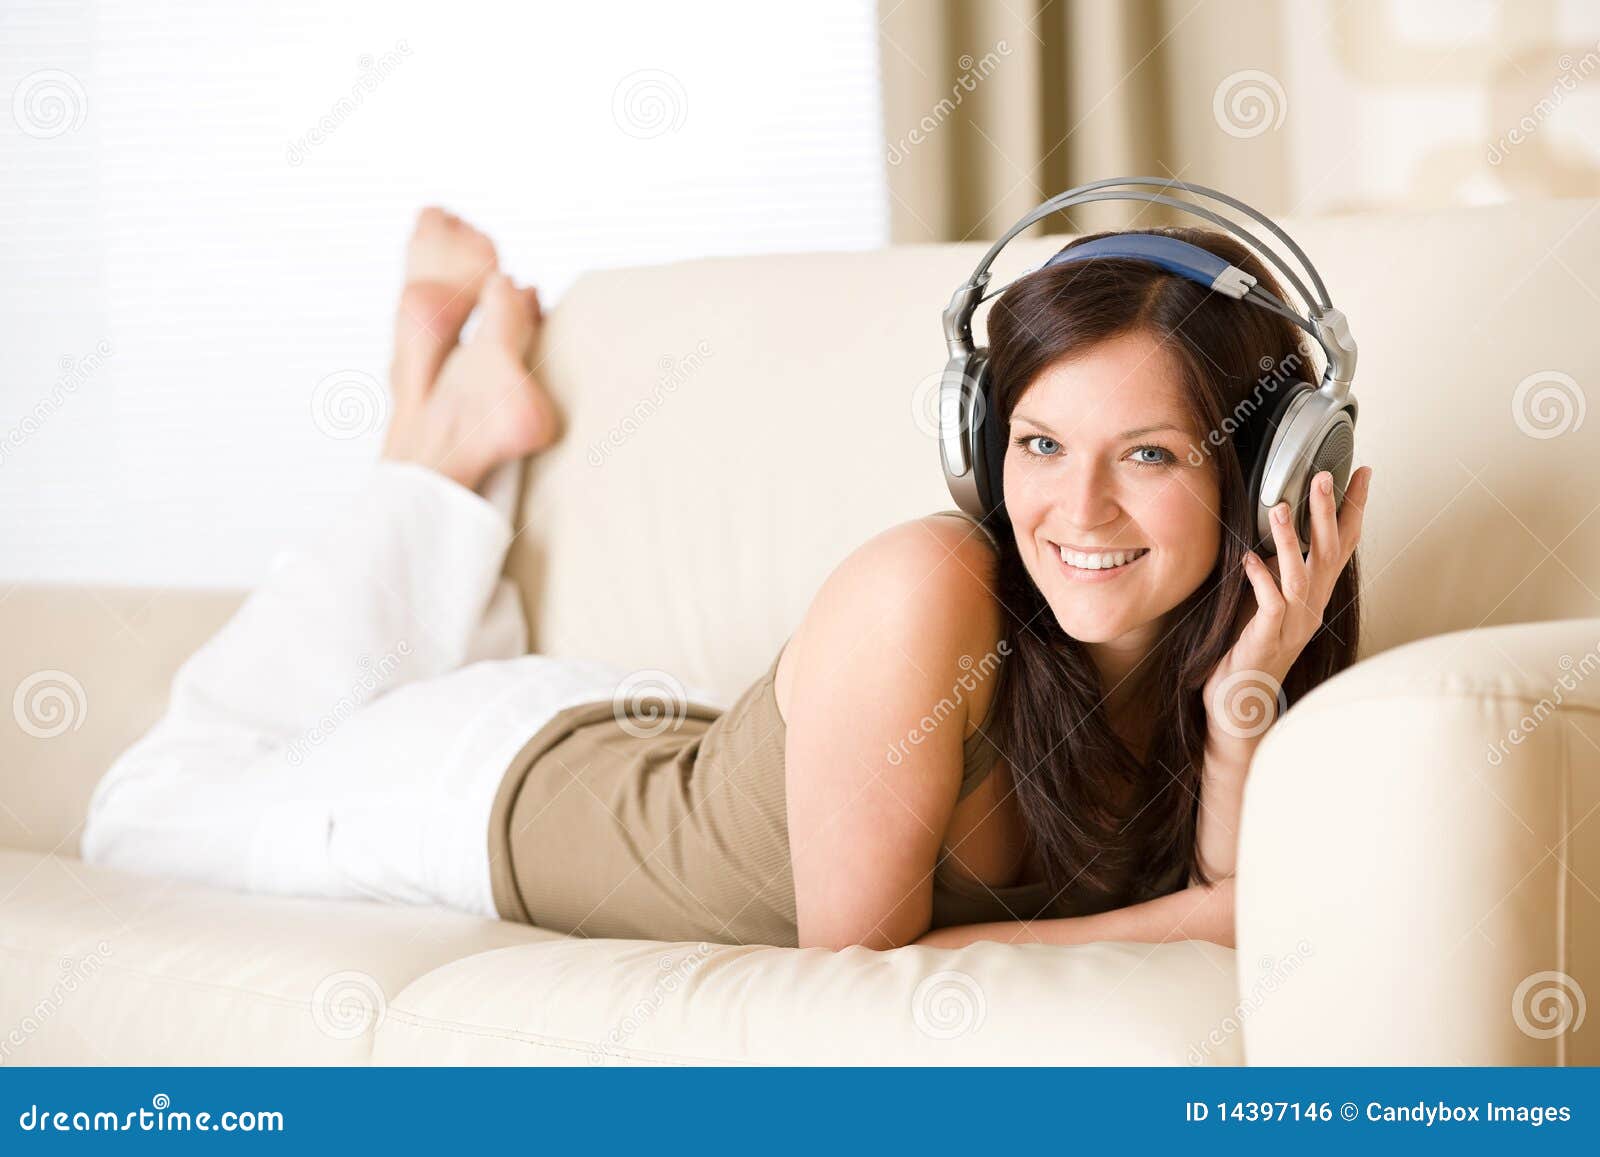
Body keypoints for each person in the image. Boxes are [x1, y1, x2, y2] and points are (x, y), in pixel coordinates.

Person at [81, 207, 1373, 952]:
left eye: (1146, 453)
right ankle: (431, 437)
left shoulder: (1226, 651)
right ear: (983, 444)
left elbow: (1214, 893)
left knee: (366, 682)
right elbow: (853, 978)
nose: (1076, 509)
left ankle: (448, 413)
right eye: (1039, 444)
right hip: (469, 793)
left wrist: (1243, 695)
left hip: (642, 739)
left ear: (1268, 472)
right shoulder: (925, 588)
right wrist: (1210, 915)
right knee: (143, 811)